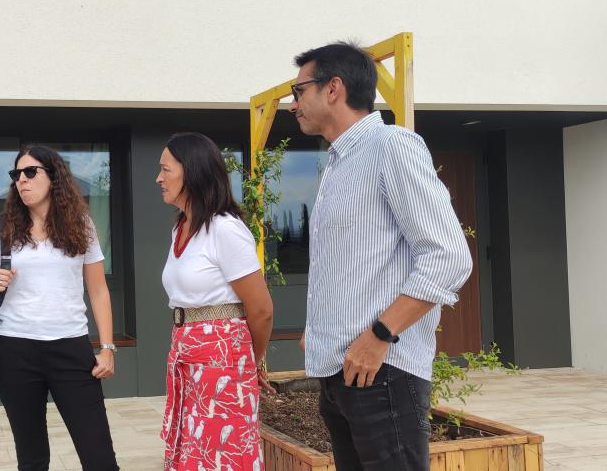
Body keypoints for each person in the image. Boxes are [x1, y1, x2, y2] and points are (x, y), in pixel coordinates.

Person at [290, 42, 473, 470]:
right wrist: (319, 328)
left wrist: (379, 336)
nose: (293, 104)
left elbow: (448, 256)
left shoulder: (391, 147)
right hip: (342, 371)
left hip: (383, 372)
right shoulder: (338, 165)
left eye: (300, 91)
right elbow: (356, 265)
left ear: (333, 88)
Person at [0, 145, 119, 471]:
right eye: (16, 175)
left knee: (100, 458)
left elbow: (98, 291)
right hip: (14, 351)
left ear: (53, 176)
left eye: (30, 172)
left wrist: (108, 348)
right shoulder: (1, 227)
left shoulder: (80, 225)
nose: (22, 181)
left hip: (70, 347)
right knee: (32, 458)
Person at [156, 132, 275, 471]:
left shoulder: (225, 229)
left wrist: (250, 362)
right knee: (192, 452)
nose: (158, 179)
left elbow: (262, 309)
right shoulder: (180, 228)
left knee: (221, 454)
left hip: (223, 359)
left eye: (165, 170)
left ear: (191, 172)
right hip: (186, 352)